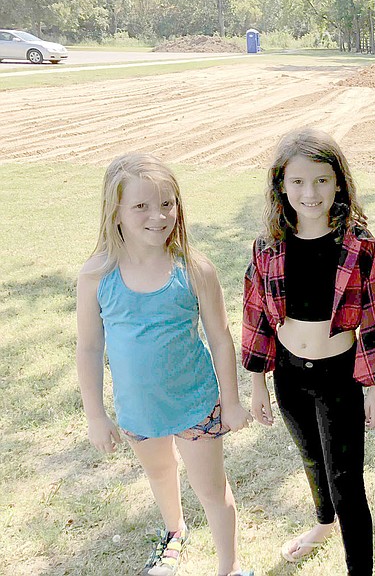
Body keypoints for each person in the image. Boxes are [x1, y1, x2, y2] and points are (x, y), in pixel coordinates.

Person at [76, 153, 254, 576]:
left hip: (196, 404)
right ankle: (174, 533)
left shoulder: (194, 269)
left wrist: (231, 401)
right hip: (139, 410)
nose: (158, 216)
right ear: (114, 211)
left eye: (167, 204)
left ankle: (228, 566)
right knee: (160, 474)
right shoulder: (97, 276)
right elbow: (87, 348)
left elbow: (220, 337)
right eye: (141, 206)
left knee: (212, 490)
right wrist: (95, 415)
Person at [241, 128, 375, 575]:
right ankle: (322, 523)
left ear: (339, 183)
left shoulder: (359, 244)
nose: (310, 193)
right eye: (298, 182)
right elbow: (256, 317)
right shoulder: (268, 248)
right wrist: (257, 384)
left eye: (322, 181)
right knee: (311, 459)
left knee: (347, 483)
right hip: (289, 377)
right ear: (281, 187)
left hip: (340, 377)